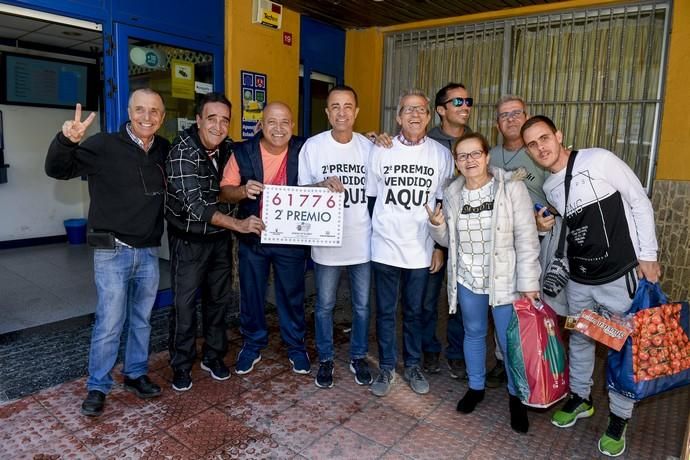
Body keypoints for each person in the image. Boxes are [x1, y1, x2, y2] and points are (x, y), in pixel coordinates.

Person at [521, 115, 661, 457]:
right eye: (532, 144)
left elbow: (639, 200)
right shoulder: (552, 186)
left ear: (559, 135)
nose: (541, 147)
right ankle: (581, 398)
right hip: (580, 283)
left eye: (544, 138)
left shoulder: (598, 159)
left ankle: (619, 417)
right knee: (581, 340)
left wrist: (649, 255)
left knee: (621, 348)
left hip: (619, 277)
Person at [45, 89, 168, 416]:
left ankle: (135, 374)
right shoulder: (103, 145)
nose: (146, 116)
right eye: (140, 109)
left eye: (154, 111)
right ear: (128, 111)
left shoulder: (164, 150)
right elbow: (57, 169)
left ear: (162, 116)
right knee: (110, 322)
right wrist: (66, 140)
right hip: (112, 251)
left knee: (141, 320)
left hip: (149, 252)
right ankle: (98, 386)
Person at [427, 131, 541, 433]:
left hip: (504, 280)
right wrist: (435, 227)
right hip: (468, 279)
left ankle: (517, 399)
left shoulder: (510, 188)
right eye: (462, 156)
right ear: (456, 162)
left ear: (487, 156)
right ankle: (476, 387)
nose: (469, 160)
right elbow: (448, 240)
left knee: (509, 342)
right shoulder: (452, 193)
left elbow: (527, 239)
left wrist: (530, 282)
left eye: (475, 153)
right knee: (473, 333)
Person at [165, 93, 265, 391]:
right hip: (189, 240)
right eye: (212, 119)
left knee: (218, 301)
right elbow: (198, 207)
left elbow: (260, 154)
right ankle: (181, 365)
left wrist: (267, 131)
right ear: (198, 120)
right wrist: (240, 224)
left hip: (220, 239)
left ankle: (213, 355)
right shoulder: (182, 152)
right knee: (184, 305)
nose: (219, 126)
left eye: (224, 120)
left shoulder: (229, 149)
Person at [366, 89, 453, 397]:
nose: (415, 115)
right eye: (408, 110)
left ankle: (413, 365)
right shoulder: (381, 150)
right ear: (398, 116)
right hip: (385, 247)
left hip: (421, 249)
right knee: (386, 311)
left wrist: (440, 246)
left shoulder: (441, 155)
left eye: (421, 110)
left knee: (415, 311)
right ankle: (387, 366)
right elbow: (371, 199)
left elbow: (444, 203)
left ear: (429, 117)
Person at [220, 102, 310, 375]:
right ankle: (253, 343)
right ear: (261, 125)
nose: (278, 128)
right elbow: (224, 192)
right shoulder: (243, 152)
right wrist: (243, 191)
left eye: (285, 122)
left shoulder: (305, 149)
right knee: (251, 294)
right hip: (253, 234)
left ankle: (295, 346)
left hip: (291, 238)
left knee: (292, 294)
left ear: (293, 126)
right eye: (272, 122)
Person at [298, 85, 373, 389]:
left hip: (362, 241)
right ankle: (326, 358)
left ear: (356, 111)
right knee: (325, 305)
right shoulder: (313, 147)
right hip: (326, 243)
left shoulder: (370, 148)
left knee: (362, 306)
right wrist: (319, 185)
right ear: (327, 112)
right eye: (335, 106)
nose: (341, 112)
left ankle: (358, 356)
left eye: (347, 106)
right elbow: (301, 192)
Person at [485, 95, 549, 388]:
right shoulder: (490, 156)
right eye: (504, 115)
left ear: (527, 116)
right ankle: (503, 360)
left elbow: (559, 195)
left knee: (535, 305)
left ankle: (537, 364)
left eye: (516, 113)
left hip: (538, 242)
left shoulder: (539, 153)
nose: (510, 119)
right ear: (497, 124)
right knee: (502, 304)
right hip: (500, 246)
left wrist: (545, 218)